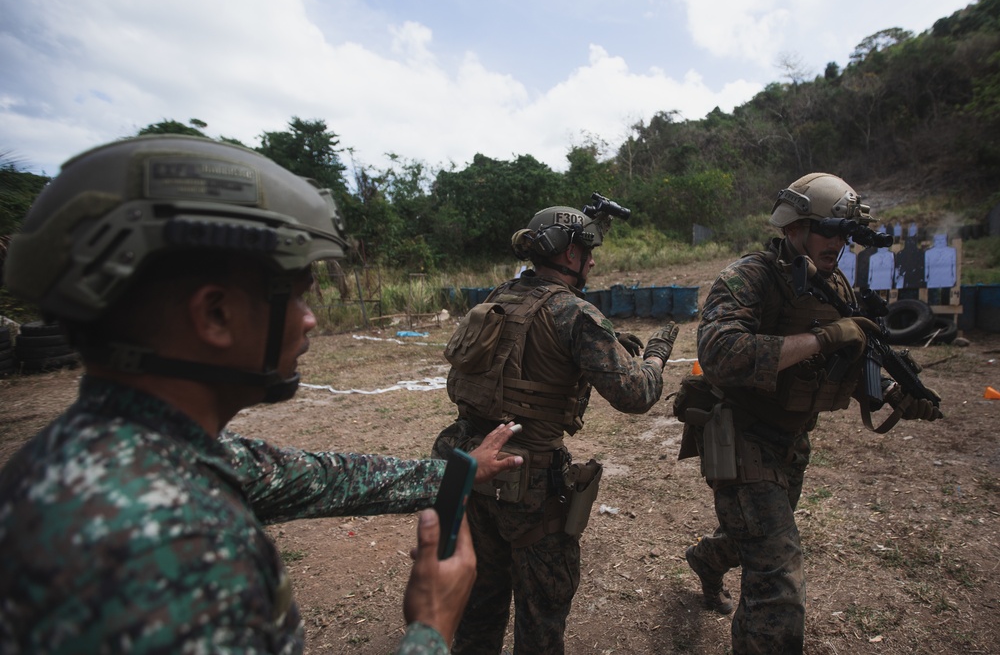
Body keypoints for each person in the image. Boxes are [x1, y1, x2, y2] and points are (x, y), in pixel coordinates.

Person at [0, 135, 524, 655]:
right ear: (215, 315)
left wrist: (461, 472)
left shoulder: (136, 450)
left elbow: (320, 479)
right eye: (295, 295)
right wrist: (431, 629)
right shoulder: (159, 551)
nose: (311, 318)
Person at [677, 173, 942, 654]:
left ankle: (707, 558)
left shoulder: (833, 284)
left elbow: (851, 359)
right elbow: (718, 352)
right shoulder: (750, 277)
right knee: (778, 581)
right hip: (741, 437)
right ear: (795, 226)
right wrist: (824, 336)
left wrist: (888, 391)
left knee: (748, 540)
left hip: (791, 441)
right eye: (831, 229)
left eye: (847, 234)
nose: (840, 243)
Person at [435, 200, 679, 654]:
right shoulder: (575, 314)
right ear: (570, 254)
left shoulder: (497, 297)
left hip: (469, 466)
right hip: (530, 484)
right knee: (542, 612)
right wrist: (656, 355)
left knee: (479, 602)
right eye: (588, 249)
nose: (593, 260)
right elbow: (636, 395)